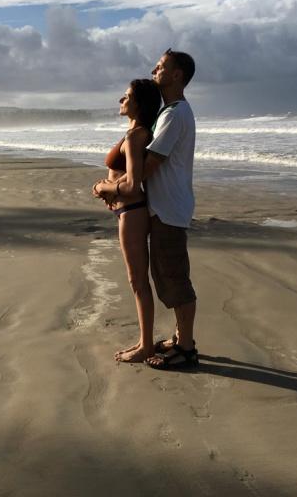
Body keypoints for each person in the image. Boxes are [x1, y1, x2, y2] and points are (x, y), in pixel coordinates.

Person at [99, 49, 199, 370]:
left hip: (168, 208)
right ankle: (179, 338)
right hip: (161, 208)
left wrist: (110, 187)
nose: (155, 68)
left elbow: (145, 168)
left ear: (177, 75)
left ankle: (185, 347)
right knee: (164, 277)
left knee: (174, 278)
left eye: (162, 66)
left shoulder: (173, 115)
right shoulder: (168, 113)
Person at [91, 79, 161, 362]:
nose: (121, 98)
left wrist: (101, 188)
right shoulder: (134, 133)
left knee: (137, 281)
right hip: (126, 211)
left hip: (132, 212)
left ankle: (146, 345)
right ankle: (146, 342)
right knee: (137, 280)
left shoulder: (136, 136)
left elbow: (132, 184)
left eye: (128, 96)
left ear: (139, 104)